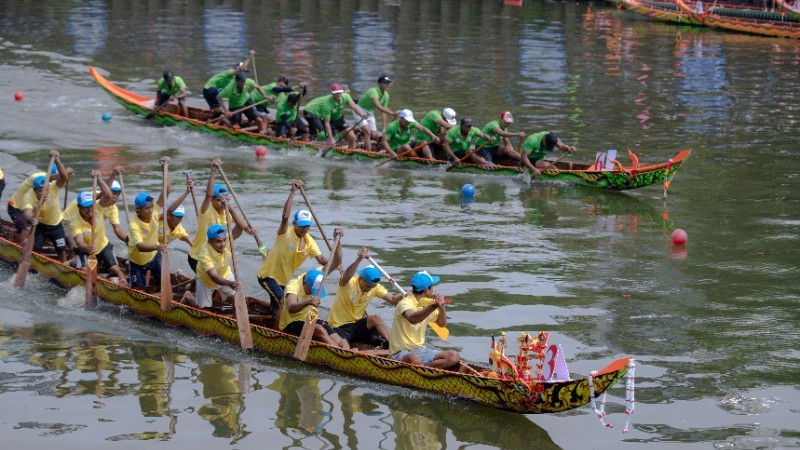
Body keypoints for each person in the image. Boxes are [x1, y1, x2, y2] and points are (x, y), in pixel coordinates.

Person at [256, 179, 331, 315]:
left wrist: (335, 264)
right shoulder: (285, 233)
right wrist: (292, 192)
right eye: (301, 225)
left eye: (307, 226)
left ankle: (252, 302)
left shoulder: (309, 242)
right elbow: (285, 216)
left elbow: (321, 259)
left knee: (276, 309)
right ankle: (277, 330)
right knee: (283, 302)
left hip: (283, 280)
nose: (304, 229)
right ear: (294, 223)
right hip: (267, 276)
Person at [328, 247, 404, 348]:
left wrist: (403, 295)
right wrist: (359, 259)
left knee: (376, 318)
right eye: (367, 286)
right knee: (344, 345)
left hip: (355, 326)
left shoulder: (375, 288)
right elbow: (346, 276)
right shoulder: (348, 284)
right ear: (361, 278)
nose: (369, 289)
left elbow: (393, 300)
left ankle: (394, 346)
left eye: (372, 287)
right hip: (338, 327)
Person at [187, 159, 253, 273]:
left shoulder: (226, 211)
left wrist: (249, 229)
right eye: (218, 200)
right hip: (198, 256)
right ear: (212, 200)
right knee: (214, 283)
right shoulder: (205, 210)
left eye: (224, 200)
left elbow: (241, 224)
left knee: (239, 227)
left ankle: (186, 278)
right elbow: (208, 194)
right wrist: (213, 171)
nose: (221, 203)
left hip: (217, 254)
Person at [389, 271, 460, 370]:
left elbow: (442, 324)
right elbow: (413, 319)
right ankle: (423, 371)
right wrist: (434, 305)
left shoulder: (428, 304)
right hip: (399, 353)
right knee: (414, 358)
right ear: (427, 290)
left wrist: (441, 306)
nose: (434, 289)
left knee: (454, 356)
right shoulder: (405, 303)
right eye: (432, 286)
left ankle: (428, 370)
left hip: (420, 350)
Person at [69, 175, 126, 282]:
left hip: (102, 245)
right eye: (85, 207)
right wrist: (86, 248)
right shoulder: (75, 222)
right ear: (79, 207)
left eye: (91, 206)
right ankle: (73, 262)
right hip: (85, 250)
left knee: (116, 270)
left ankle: (124, 283)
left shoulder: (98, 208)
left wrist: (99, 179)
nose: (89, 210)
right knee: (86, 271)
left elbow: (108, 196)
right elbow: (79, 241)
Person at [127, 157, 170, 291]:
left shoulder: (155, 211)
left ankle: (156, 291)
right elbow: (140, 246)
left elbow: (167, 190)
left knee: (163, 285)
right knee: (138, 291)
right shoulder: (134, 224)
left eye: (151, 207)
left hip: (153, 257)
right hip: (137, 262)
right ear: (138, 210)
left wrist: (165, 168)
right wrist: (157, 246)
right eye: (147, 208)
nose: (151, 210)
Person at [279, 267, 349, 349]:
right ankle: (337, 351)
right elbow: (291, 307)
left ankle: (346, 350)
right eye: (310, 290)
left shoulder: (316, 275)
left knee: (331, 330)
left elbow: (333, 263)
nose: (312, 293)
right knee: (318, 329)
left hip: (308, 320)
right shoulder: (293, 286)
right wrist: (308, 301)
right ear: (305, 283)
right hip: (290, 324)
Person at [19, 152, 71, 261]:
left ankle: (64, 267)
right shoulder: (29, 195)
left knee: (61, 249)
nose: (45, 193)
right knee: (37, 250)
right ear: (35, 190)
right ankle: (38, 265)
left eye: (46, 189)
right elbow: (27, 212)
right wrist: (31, 218)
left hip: (56, 225)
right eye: (40, 191)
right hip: (40, 226)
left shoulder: (53, 187)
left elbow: (64, 177)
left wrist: (57, 160)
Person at [180, 224, 238, 308]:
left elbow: (239, 228)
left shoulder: (227, 241)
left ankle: (235, 316)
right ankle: (189, 296)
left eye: (224, 240)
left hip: (225, 274)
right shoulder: (204, 254)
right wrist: (229, 283)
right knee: (204, 309)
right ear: (210, 242)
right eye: (218, 241)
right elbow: (213, 276)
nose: (222, 244)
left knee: (236, 298)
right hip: (206, 281)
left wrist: (231, 210)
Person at [7, 162, 61, 244]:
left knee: (35, 228)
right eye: (57, 176)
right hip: (16, 207)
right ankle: (18, 247)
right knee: (27, 228)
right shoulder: (37, 178)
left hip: (29, 208)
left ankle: (24, 238)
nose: (58, 178)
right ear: (52, 174)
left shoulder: (50, 182)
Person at [303, 84, 366, 149]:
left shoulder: (346, 96)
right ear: (332, 94)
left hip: (339, 119)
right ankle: (313, 144)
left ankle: (351, 153)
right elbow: (326, 122)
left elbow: (354, 107)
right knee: (331, 142)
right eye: (336, 93)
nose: (338, 95)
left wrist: (361, 115)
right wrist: (331, 138)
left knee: (352, 137)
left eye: (339, 93)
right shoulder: (327, 105)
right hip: (329, 121)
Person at [355, 75, 397, 151]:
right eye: (385, 83)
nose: (387, 85)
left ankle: (359, 134)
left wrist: (384, 129)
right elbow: (379, 107)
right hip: (360, 109)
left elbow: (383, 112)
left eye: (388, 83)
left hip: (369, 112)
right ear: (379, 84)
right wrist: (392, 113)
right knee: (367, 132)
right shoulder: (373, 91)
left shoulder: (386, 96)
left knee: (374, 135)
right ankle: (369, 152)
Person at [159, 179, 194, 247]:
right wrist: (187, 192)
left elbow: (187, 238)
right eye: (177, 216)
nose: (179, 219)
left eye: (181, 217)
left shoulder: (178, 228)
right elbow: (171, 209)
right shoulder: (159, 220)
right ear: (169, 216)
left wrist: (192, 245)